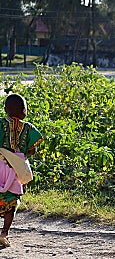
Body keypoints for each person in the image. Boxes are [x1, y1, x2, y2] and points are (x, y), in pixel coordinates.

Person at [0, 93, 43, 247]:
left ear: (5, 109)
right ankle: (4, 233)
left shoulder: (0, 124)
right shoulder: (29, 128)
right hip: (15, 170)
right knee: (12, 202)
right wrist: (22, 154)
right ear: (23, 110)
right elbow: (33, 150)